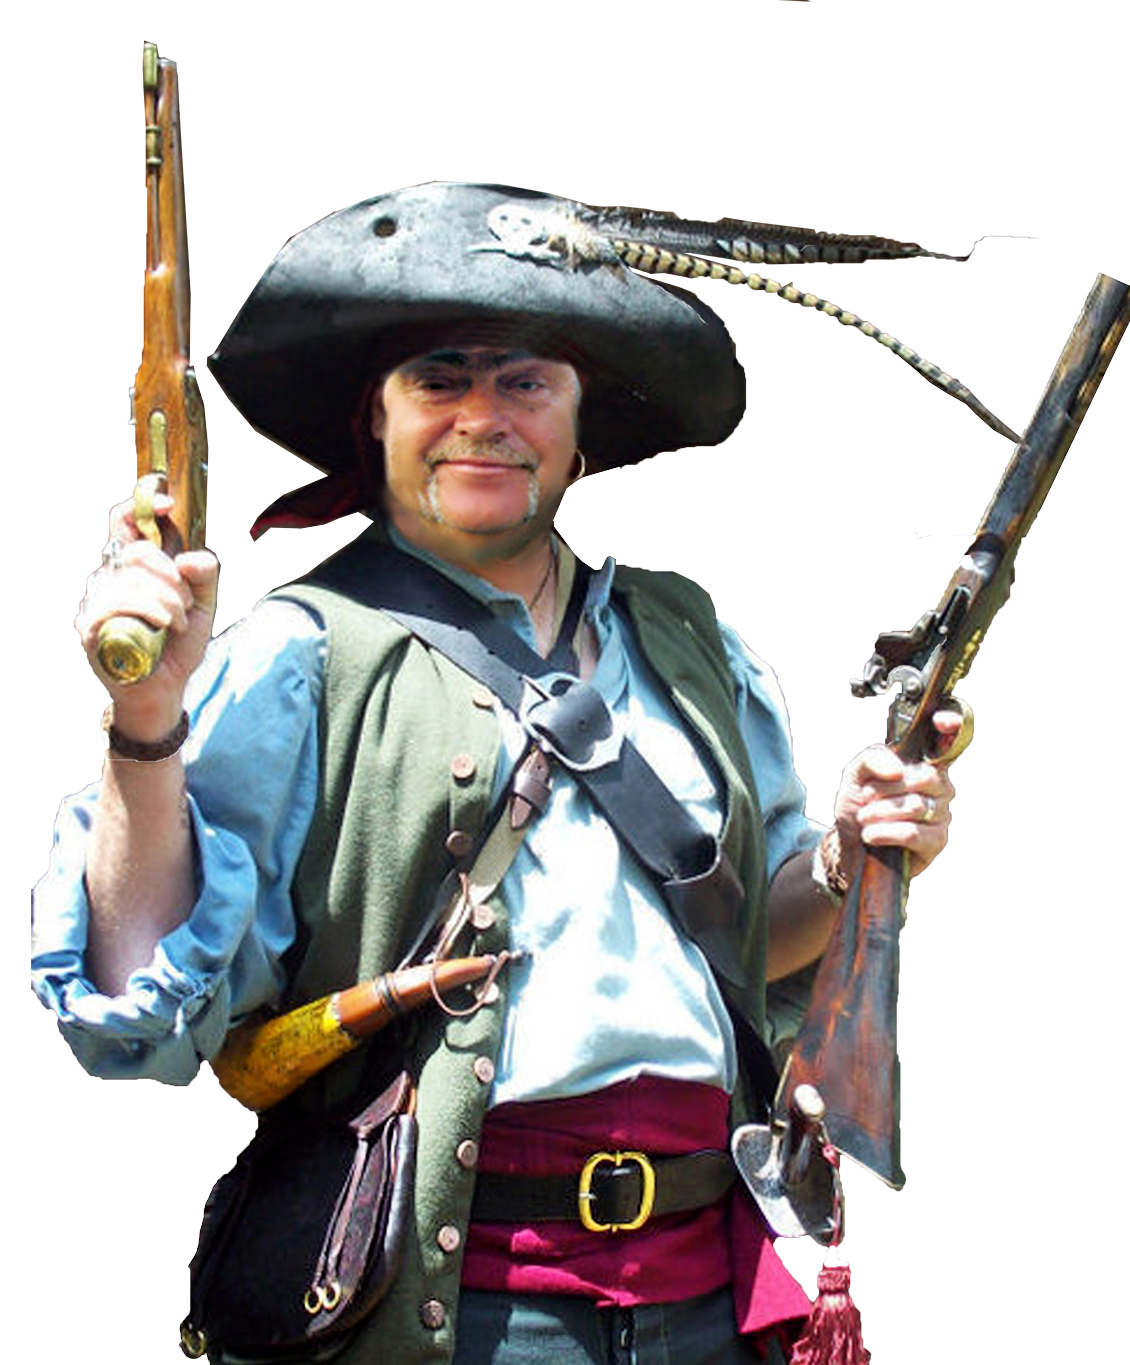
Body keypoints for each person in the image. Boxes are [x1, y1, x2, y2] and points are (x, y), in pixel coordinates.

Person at [31, 182, 958, 1365]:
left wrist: (844, 857)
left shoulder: (690, 641)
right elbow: (139, 997)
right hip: (451, 1307)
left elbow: (748, 952)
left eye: (526, 382)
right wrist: (146, 721)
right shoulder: (297, 653)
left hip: (708, 1294)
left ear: (580, 427)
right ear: (374, 418)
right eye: (440, 380)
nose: (484, 416)